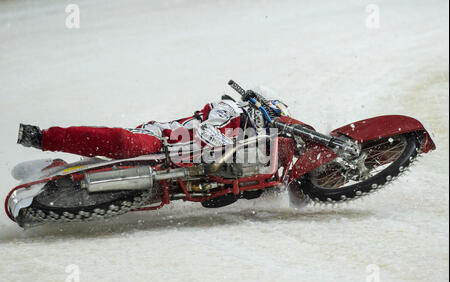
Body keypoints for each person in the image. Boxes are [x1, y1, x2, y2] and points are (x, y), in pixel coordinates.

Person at [17, 86, 291, 159]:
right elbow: (207, 129)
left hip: (174, 158)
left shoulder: (247, 133)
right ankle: (42, 137)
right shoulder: (229, 108)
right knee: (122, 142)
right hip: (160, 140)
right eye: (272, 112)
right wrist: (230, 144)